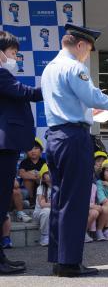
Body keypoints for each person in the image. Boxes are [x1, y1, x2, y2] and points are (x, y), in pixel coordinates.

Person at [40, 23, 108, 277]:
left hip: (54, 137)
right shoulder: (75, 67)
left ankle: (59, 258)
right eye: (89, 50)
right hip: (73, 137)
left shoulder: (49, 68)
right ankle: (71, 263)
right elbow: (94, 98)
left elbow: (78, 101)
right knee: (75, 202)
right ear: (81, 45)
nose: (88, 55)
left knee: (60, 200)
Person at [0, 30, 42, 274]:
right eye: (13, 53)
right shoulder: (1, 75)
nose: (16, 58)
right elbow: (26, 92)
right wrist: (51, 86)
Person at [18, 137, 46, 206]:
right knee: (27, 180)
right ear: (26, 152)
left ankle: (43, 199)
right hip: (28, 189)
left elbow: (47, 175)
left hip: (41, 185)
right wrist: (35, 175)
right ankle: (30, 200)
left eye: (36, 148)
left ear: (41, 151)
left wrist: (37, 176)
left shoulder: (44, 162)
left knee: (44, 178)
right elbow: (22, 174)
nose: (33, 151)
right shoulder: (24, 162)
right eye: (30, 149)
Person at [33, 164, 51, 247]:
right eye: (48, 172)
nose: (51, 174)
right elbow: (43, 204)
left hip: (53, 212)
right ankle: (44, 236)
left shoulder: (59, 187)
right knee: (47, 211)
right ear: (43, 178)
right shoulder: (41, 188)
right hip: (40, 214)